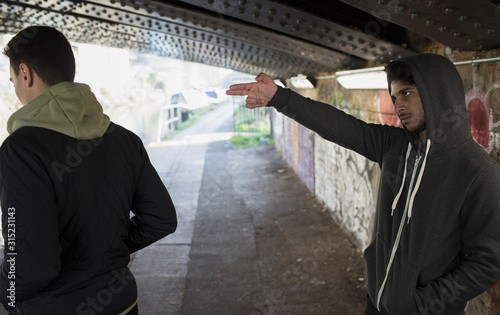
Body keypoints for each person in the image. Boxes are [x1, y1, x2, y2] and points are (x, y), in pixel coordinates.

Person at [226, 53, 500, 314]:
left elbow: (488, 263)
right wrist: (279, 97)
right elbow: (339, 126)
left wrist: (420, 304)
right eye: (394, 97)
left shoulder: (477, 172)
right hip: (377, 301)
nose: (398, 105)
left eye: (407, 93)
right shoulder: (395, 146)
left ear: (437, 94)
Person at [0, 26, 177, 314]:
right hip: (122, 303)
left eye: (12, 82)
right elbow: (161, 219)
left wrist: (7, 294)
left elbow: (31, 267)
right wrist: (106, 250)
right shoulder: (125, 139)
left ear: (25, 73)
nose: (16, 89)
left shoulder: (21, 150)